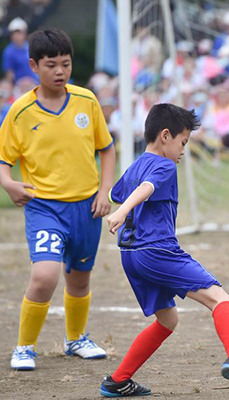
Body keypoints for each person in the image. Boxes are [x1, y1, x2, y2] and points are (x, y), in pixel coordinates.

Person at [100, 104, 229, 397]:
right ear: (165, 136)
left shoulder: (134, 165)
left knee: (167, 320)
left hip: (130, 255)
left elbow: (115, 193)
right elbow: (145, 188)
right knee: (220, 298)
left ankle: (118, 380)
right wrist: (123, 211)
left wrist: (114, 206)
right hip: (156, 250)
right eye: (183, 142)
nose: (183, 150)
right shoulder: (164, 165)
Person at [0, 28, 115, 370]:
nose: (60, 71)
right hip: (45, 207)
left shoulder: (86, 101)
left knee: (79, 279)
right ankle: (24, 346)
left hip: (86, 208)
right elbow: (3, 161)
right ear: (34, 65)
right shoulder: (19, 112)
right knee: (45, 276)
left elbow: (106, 149)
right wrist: (9, 184)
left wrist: (104, 191)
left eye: (65, 64)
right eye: (51, 65)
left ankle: (76, 338)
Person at [2, 17, 38, 84]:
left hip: (35, 83)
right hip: (20, 86)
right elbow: (9, 74)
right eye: (15, 33)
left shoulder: (31, 47)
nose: (17, 36)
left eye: (20, 33)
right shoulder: (8, 52)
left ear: (25, 33)